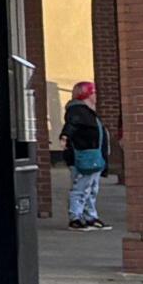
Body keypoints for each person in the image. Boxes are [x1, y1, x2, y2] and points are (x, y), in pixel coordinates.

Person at [59, 81, 107, 229]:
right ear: (86, 94)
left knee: (91, 188)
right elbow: (72, 124)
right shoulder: (78, 111)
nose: (96, 96)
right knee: (80, 187)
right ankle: (76, 216)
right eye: (93, 93)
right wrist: (65, 136)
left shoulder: (88, 111)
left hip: (93, 157)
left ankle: (90, 216)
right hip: (83, 157)